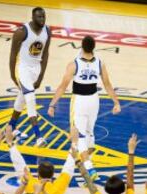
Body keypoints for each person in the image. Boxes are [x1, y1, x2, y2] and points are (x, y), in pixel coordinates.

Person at [48, 36, 121, 180]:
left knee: (79, 136)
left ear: (81, 46)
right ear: (94, 47)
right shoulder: (100, 63)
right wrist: (116, 102)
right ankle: (83, 161)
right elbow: (107, 84)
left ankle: (89, 168)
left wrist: (52, 104)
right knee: (89, 133)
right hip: (94, 100)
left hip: (80, 101)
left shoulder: (74, 64)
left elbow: (63, 86)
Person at [7, 125, 75, 194]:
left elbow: (20, 167)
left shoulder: (32, 185)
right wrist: (74, 142)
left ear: (38, 174)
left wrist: (10, 144)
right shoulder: (58, 188)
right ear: (52, 175)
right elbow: (68, 168)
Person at [8, 7, 51, 147]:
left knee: (22, 99)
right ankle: (39, 136)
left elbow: (45, 55)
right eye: (39, 17)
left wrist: (41, 77)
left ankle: (10, 127)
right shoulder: (21, 32)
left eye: (44, 16)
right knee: (30, 99)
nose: (42, 19)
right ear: (33, 18)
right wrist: (13, 75)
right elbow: (13, 54)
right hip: (22, 68)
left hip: (35, 70)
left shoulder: (48, 31)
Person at [71, 127, 137, 194]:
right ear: (122, 189)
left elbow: (89, 181)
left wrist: (77, 159)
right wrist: (131, 151)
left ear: (106, 189)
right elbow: (130, 179)